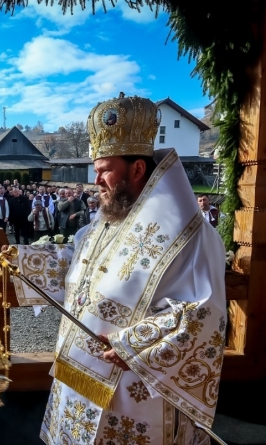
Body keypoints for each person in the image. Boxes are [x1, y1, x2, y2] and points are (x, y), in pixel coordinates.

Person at [37, 93, 226, 445]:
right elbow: (82, 267)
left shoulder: (193, 236)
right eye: (96, 171)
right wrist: (19, 260)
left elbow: (205, 315)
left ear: (137, 169)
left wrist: (133, 344)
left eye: (105, 170)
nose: (96, 181)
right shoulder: (104, 223)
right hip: (78, 373)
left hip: (136, 386)